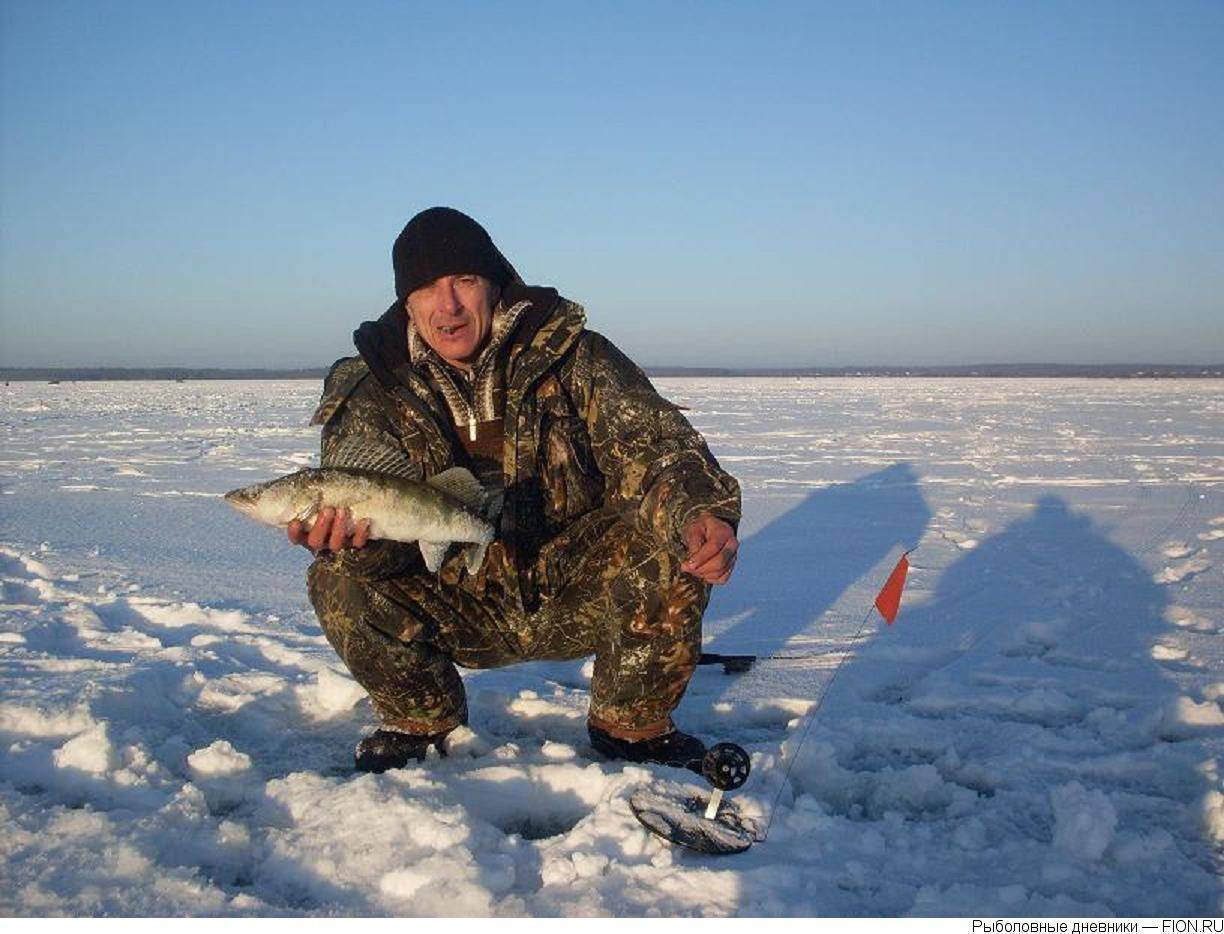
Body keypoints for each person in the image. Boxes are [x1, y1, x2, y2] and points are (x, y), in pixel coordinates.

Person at [293, 207, 741, 774]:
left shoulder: (576, 356)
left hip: (571, 586)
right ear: (406, 303)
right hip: (455, 593)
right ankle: (419, 717)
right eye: (427, 288)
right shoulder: (373, 387)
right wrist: (354, 547)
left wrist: (698, 511)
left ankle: (632, 724)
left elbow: (654, 447)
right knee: (336, 578)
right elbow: (379, 527)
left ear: (495, 283)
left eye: (464, 281)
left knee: (671, 539)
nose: (447, 305)